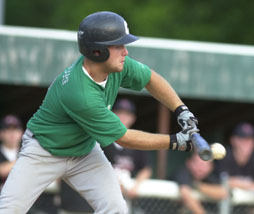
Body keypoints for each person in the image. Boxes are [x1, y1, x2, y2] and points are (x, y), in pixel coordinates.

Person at [0, 11, 199, 214]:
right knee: (8, 210)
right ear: (97, 52)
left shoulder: (115, 67)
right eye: (118, 45)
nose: (125, 52)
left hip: (84, 151)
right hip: (44, 150)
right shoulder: (80, 93)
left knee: (115, 209)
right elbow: (124, 137)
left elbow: (150, 78)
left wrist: (181, 110)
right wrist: (175, 141)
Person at [59, 98, 152, 213]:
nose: (122, 117)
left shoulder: (136, 142)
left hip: (121, 197)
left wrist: (135, 186)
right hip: (94, 199)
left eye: (127, 114)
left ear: (133, 118)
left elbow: (146, 168)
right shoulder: (98, 138)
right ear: (112, 114)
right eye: (119, 113)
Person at [215, 122, 254, 197]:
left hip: (248, 207)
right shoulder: (225, 157)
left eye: (250, 140)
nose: (247, 143)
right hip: (222, 206)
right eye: (242, 139)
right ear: (233, 140)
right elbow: (224, 180)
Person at [0, 115, 23, 189]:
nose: (12, 134)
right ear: (1, 133)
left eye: (15, 129)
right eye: (8, 130)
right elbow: (2, 171)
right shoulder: (29, 154)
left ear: (21, 133)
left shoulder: (25, 150)